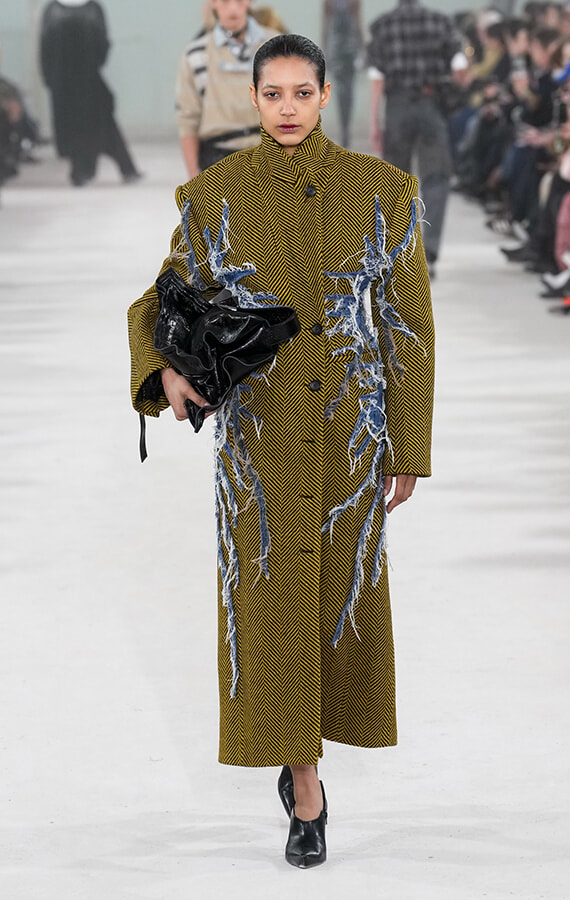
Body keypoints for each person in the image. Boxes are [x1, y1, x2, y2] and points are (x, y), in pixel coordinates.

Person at [128, 33, 434, 868]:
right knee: (269, 602)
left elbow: (408, 327)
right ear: (254, 99)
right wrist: (166, 368)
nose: (288, 108)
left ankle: (309, 757)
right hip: (258, 436)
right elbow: (161, 298)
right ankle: (305, 786)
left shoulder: (383, 190)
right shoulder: (215, 195)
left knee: (337, 598)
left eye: (303, 92)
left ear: (326, 96)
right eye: (273, 94)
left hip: (350, 432)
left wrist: (407, 442)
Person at [367, 0, 464, 276]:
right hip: (431, 103)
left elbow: (377, 78)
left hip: (397, 106)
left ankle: (399, 256)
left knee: (395, 182)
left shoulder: (382, 26)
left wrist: (374, 122)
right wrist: (454, 92)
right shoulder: (440, 22)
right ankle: (428, 255)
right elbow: (460, 66)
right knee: (436, 178)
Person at [39, 0, 141, 187]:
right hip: (80, 79)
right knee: (93, 124)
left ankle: (90, 170)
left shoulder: (55, 11)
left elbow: (45, 47)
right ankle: (91, 169)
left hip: (71, 81)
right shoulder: (89, 10)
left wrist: (49, 76)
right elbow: (102, 44)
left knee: (93, 124)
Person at [176, 0, 280, 179]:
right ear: (213, 3)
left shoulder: (278, 47)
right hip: (217, 163)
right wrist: (194, 178)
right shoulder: (196, 55)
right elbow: (188, 119)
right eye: (225, 1)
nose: (232, 8)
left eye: (239, 0)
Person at [322, 0, 363, 147]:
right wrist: (324, 52)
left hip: (346, 47)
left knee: (347, 91)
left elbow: (357, 23)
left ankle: (346, 127)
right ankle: (344, 128)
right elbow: (326, 25)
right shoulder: (329, 2)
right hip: (338, 47)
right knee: (342, 90)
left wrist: (361, 50)